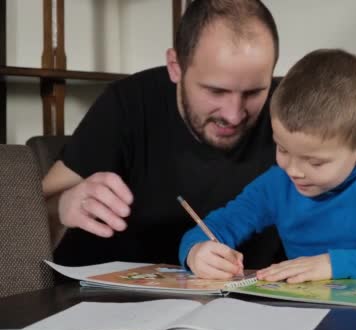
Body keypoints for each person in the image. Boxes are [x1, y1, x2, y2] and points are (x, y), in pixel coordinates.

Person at [42, 0, 285, 267]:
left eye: (254, 92)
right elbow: (23, 221)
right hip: (116, 299)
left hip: (245, 301)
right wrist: (62, 206)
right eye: (216, 91)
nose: (234, 114)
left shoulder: (289, 109)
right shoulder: (128, 103)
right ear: (175, 66)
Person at [180, 49, 356, 283]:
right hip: (307, 316)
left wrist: (330, 265)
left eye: (315, 161)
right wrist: (196, 252)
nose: (294, 170)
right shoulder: (277, 183)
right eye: (283, 149)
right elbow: (211, 229)